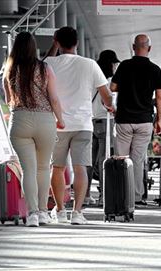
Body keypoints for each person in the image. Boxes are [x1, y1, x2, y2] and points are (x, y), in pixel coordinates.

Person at [45, 26, 114, 225]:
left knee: (57, 168)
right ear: (77, 42)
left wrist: (54, 46)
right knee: (80, 167)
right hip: (83, 124)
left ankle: (59, 210)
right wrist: (109, 106)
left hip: (57, 124)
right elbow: (106, 94)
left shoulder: (49, 63)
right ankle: (77, 212)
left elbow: (44, 64)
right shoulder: (90, 64)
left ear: (57, 41)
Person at [3, 32, 65, 227]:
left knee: (28, 170)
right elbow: (54, 98)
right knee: (43, 168)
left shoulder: (9, 70)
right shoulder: (44, 68)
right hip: (45, 120)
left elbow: (7, 100)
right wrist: (60, 119)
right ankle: (43, 213)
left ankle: (31, 215)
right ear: (33, 47)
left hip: (19, 120)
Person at [110, 34, 161, 206]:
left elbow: (113, 87)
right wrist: (160, 120)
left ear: (133, 47)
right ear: (149, 48)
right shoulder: (155, 69)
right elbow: (160, 97)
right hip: (144, 120)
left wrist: (125, 86)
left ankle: (121, 196)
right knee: (137, 159)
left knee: (121, 159)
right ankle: (137, 196)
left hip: (124, 119)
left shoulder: (124, 65)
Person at [87, 49, 120, 205]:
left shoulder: (91, 78)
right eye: (114, 63)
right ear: (111, 64)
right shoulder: (107, 81)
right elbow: (107, 102)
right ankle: (103, 196)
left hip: (89, 122)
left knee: (88, 161)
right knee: (103, 159)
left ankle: (85, 195)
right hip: (104, 122)